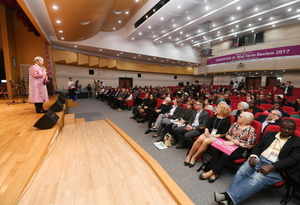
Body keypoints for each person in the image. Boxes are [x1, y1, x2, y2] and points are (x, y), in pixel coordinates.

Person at [214, 119, 300, 205]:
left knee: (256, 178)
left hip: (278, 167)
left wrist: (272, 166)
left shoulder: (297, 141)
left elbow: (293, 159)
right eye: (284, 128)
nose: (287, 131)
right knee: (241, 172)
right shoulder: (270, 134)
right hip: (260, 158)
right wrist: (253, 156)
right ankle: (230, 198)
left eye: (290, 129)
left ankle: (226, 196)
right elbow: (258, 146)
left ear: (295, 129)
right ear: (280, 127)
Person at [200, 112, 256, 183]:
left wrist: (237, 143)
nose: (238, 117)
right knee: (216, 149)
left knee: (225, 155)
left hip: (240, 150)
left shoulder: (251, 130)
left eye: (240, 117)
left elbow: (249, 145)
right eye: (239, 116)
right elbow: (227, 135)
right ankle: (215, 172)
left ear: (247, 119)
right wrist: (232, 141)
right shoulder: (235, 124)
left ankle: (212, 172)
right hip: (229, 144)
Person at [185, 102, 231, 168]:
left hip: (216, 136)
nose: (216, 109)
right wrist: (206, 131)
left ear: (223, 110)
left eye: (218, 108)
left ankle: (194, 157)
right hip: (209, 133)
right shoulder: (214, 116)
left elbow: (224, 133)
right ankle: (189, 155)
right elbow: (208, 126)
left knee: (206, 141)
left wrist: (212, 136)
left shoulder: (227, 120)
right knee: (200, 138)